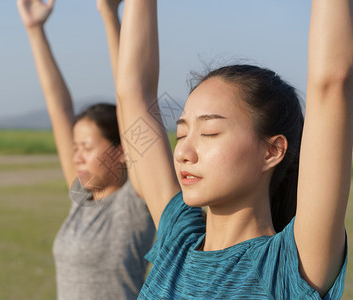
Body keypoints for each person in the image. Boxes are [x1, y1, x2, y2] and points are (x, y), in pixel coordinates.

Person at [116, 0, 351, 298]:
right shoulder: (176, 241)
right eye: (182, 133)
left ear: (272, 151)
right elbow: (133, 94)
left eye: (210, 132)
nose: (182, 153)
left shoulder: (286, 267)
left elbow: (332, 82)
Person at [17, 0, 155, 299]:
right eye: (75, 146)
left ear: (121, 151)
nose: (76, 154)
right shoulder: (82, 198)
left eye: (87, 146)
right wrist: (35, 30)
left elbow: (133, 95)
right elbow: (59, 110)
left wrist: (108, 14)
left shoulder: (133, 204)